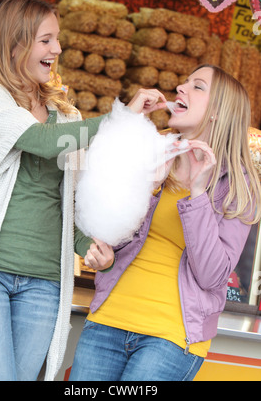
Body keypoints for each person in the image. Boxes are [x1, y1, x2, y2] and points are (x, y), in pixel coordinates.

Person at [0, 0, 166, 382]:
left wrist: (89, 246)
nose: (57, 49)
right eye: (46, 39)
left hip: (45, 283)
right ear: (16, 42)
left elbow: (68, 204)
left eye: (56, 39)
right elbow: (37, 140)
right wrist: (119, 118)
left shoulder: (67, 115)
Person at [69, 65, 261, 382]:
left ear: (218, 111)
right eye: (184, 82)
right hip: (108, 321)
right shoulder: (152, 151)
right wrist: (129, 131)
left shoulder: (239, 186)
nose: (181, 88)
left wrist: (198, 194)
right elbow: (103, 224)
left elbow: (213, 275)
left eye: (197, 86)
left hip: (171, 338)